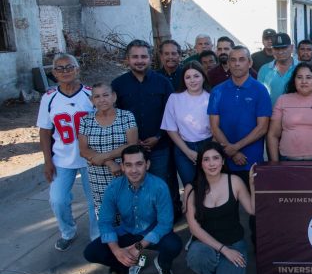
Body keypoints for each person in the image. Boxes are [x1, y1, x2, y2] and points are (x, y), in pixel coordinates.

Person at [83, 145, 183, 274]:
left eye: (139, 164)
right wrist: (117, 251)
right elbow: (105, 222)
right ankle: (129, 264)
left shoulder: (159, 186)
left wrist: (138, 247)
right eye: (128, 165)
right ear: (122, 167)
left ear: (147, 165)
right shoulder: (114, 187)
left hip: (152, 233)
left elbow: (165, 224)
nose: (134, 170)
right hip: (127, 232)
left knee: (173, 245)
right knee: (91, 252)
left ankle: (163, 265)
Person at [208, 45, 271, 247]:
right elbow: (214, 126)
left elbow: (262, 127)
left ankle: (257, 248)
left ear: (250, 63)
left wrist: (236, 148)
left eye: (241, 59)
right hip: (225, 161)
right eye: (232, 60)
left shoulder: (260, 90)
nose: (236, 64)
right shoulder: (218, 91)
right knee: (227, 208)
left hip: (251, 160)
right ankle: (230, 246)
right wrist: (230, 150)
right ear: (227, 64)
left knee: (255, 209)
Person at [112, 39, 180, 220]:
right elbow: (114, 116)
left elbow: (172, 114)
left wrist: (158, 136)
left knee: (162, 186)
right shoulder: (118, 85)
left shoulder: (163, 83)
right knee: (135, 188)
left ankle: (165, 225)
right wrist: (133, 142)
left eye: (143, 56)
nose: (139, 60)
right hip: (131, 149)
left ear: (150, 58)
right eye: (135, 57)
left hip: (160, 146)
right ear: (127, 59)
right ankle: (142, 225)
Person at [38, 54, 98, 250]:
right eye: (60, 68)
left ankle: (97, 236)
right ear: (54, 73)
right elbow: (45, 131)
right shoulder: (49, 98)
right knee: (58, 199)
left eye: (69, 67)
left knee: (95, 201)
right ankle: (67, 231)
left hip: (91, 157)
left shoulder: (91, 95)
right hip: (62, 158)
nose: (65, 71)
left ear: (77, 69)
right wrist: (48, 161)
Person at [186, 142, 254, 274]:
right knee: (197, 255)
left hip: (234, 243)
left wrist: (252, 184)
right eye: (206, 159)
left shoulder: (234, 181)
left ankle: (212, 271)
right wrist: (224, 250)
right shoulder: (192, 188)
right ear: (200, 163)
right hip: (205, 244)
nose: (211, 164)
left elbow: (252, 210)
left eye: (216, 158)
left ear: (223, 161)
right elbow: (194, 229)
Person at [78, 82, 138, 217]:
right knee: (105, 213)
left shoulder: (127, 116)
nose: (102, 100)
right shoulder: (85, 121)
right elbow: (83, 150)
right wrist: (110, 163)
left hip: (124, 172)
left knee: (129, 210)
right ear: (92, 100)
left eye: (105, 95)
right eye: (97, 97)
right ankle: (110, 238)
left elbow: (132, 145)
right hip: (97, 175)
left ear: (114, 96)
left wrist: (103, 157)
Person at [267, 63, 312, 162]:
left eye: (309, 77)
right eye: (299, 77)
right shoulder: (283, 100)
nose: (304, 81)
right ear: (294, 80)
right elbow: (273, 135)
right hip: (288, 161)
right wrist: (275, 164)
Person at [161, 61, 212, 191]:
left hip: (207, 145)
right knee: (190, 186)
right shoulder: (174, 98)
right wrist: (187, 151)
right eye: (188, 77)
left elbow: (217, 127)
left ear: (203, 77)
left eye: (196, 76)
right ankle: (191, 211)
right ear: (183, 80)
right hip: (183, 148)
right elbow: (170, 128)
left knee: (209, 186)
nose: (192, 80)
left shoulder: (211, 97)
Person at [258, 32, 297, 106]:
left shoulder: (302, 68)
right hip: (270, 115)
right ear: (272, 50)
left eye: (284, 48)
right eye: (277, 48)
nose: (280, 52)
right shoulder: (264, 70)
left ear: (291, 48)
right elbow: (260, 96)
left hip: (296, 116)